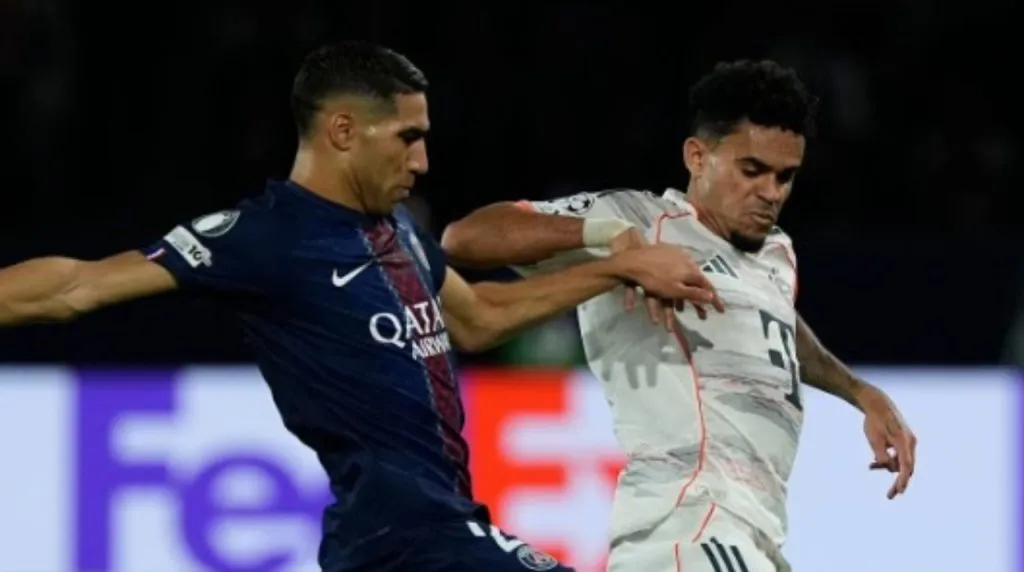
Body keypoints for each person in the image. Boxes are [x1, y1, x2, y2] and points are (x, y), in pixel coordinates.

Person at [0, 42, 720, 572]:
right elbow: (77, 286)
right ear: (343, 131)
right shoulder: (267, 236)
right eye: (408, 137)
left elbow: (476, 317)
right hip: (404, 536)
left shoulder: (396, 228)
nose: (423, 161)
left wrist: (613, 268)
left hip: (416, 533)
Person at [441, 60, 917, 572]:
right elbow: (465, 238)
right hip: (687, 525)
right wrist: (607, 238)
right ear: (697, 157)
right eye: (751, 170)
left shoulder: (776, 253)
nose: (771, 192)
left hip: (752, 534)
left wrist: (858, 391)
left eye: (785, 176)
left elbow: (776, 324)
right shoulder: (642, 223)